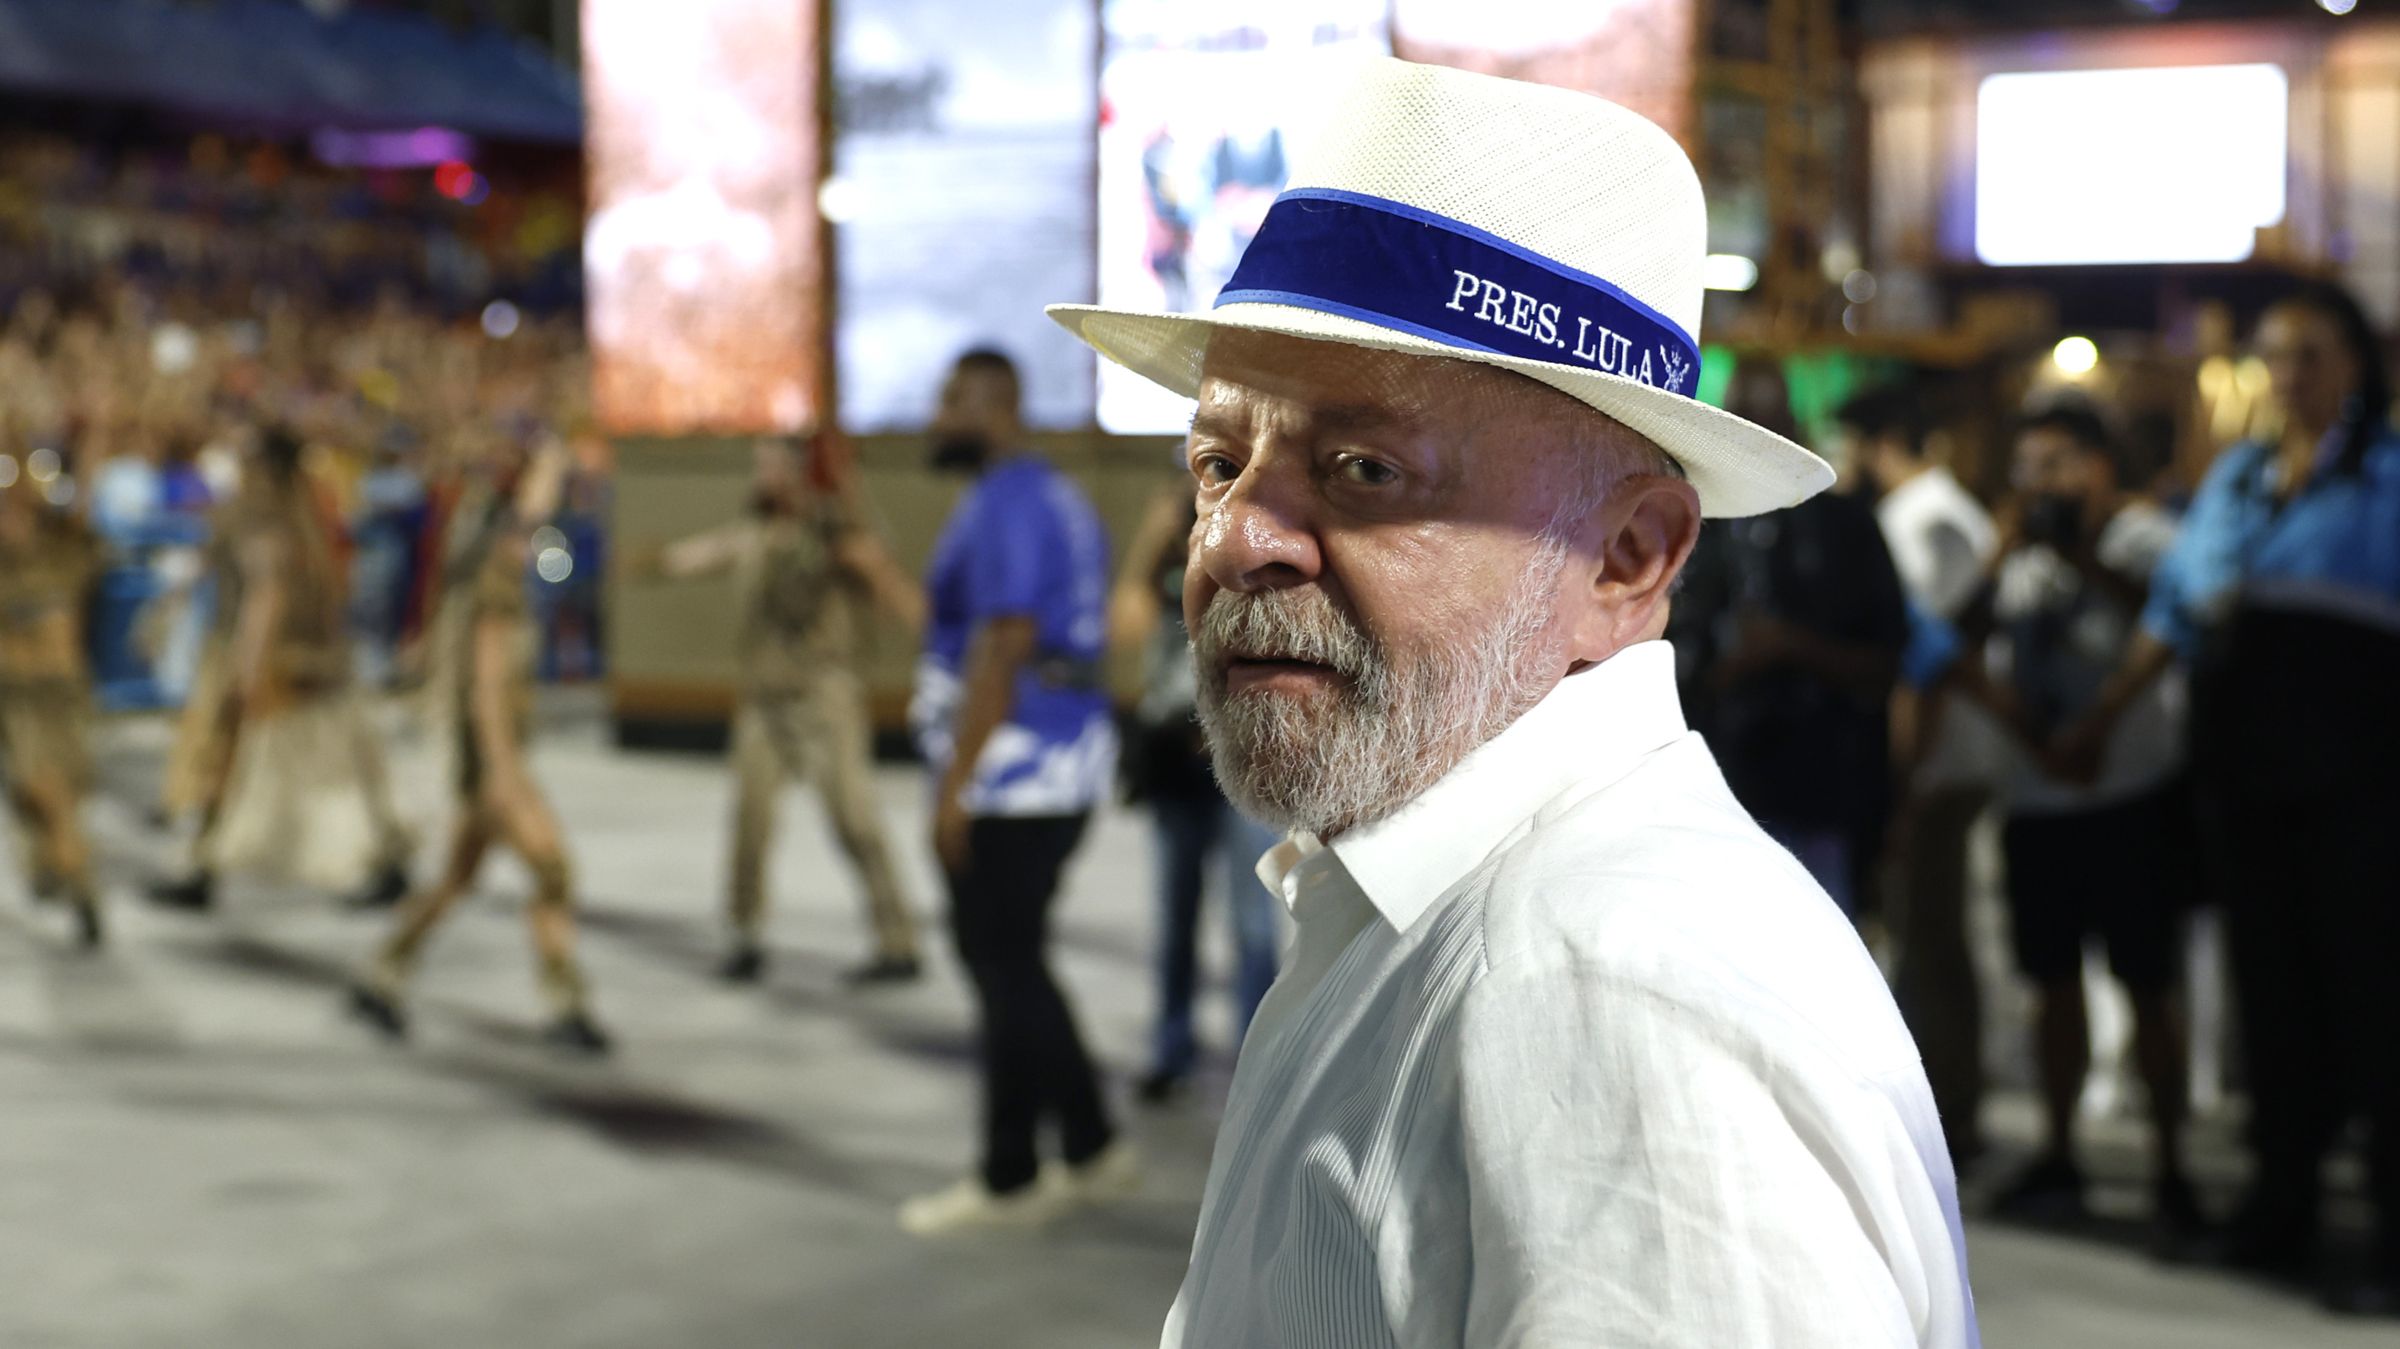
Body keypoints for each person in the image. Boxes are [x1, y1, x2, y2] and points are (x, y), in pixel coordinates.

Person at [1046, 59, 1976, 1345]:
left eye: (1366, 468)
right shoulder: (1423, 901)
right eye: (1218, 459)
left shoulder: (1614, 1003)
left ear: (1626, 558)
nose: (1234, 538)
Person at [2058, 282, 2400, 1315]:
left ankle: (2387, 1228)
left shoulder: (2385, 477)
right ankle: (2279, 1209)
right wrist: (2103, 716)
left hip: (2363, 785)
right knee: (2274, 997)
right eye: (2276, 356)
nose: (2289, 374)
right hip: (2246, 778)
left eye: (2310, 353)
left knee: (2375, 1004)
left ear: (2355, 362)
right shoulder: (2243, 477)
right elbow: (2177, 608)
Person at [897, 348, 1134, 1236]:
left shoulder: (1004, 502)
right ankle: (1089, 1141)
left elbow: (1002, 644)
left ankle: (1010, 1172)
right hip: (1058, 764)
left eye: (952, 399)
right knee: (1018, 959)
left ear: (997, 407)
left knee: (1000, 967)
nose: (936, 415)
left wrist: (953, 788)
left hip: (1015, 773)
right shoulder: (1056, 498)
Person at [1967, 405, 2201, 1246]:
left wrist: (2078, 556)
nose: (2047, 482)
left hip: (2131, 792)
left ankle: (2173, 1166)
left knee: (2148, 983)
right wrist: (2000, 555)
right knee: (2051, 983)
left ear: (2104, 465)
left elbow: (2173, 622)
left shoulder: (2145, 538)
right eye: (2030, 466)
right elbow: (1957, 644)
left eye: (2062, 462)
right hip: (2039, 797)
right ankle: (2060, 1152)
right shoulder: (2019, 553)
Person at [349, 437, 609, 1054]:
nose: (533, 540)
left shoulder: (499, 586)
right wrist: (503, 777)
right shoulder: (494, 598)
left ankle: (382, 974)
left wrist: (549, 465)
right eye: (522, 532)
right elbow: (487, 695)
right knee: (552, 870)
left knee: (454, 881)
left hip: (490, 769)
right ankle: (565, 1003)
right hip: (496, 769)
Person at [635, 433, 926, 986]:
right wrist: (649, 562)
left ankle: (898, 942)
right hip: (763, 702)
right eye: (758, 464)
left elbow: (877, 572)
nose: (760, 475)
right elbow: (701, 553)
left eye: (771, 465)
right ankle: (743, 934)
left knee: (855, 821)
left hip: (823, 697)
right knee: (750, 820)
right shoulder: (757, 532)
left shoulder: (835, 531)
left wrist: (844, 492)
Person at [1672, 362, 1908, 916]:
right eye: (1742, 425)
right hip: (1710, 798)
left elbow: (1887, 663)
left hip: (1821, 793)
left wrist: (1791, 648)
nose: (1757, 442)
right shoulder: (1693, 526)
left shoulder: (1847, 528)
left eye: (1769, 424)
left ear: (1796, 428)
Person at [148, 426, 413, 912]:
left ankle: (371, 861)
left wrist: (247, 671)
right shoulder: (306, 516)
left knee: (258, 765)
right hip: (318, 657)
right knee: (341, 760)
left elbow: (266, 595)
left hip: (276, 661)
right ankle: (203, 867)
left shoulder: (266, 520)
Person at [1842, 381, 2000, 1166]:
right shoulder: (1950, 510)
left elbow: (1929, 662)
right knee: (1928, 935)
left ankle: (1951, 1115)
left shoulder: (1921, 521)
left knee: (1930, 937)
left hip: (1937, 757)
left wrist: (1904, 777)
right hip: (1948, 754)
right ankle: (1949, 1109)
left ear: (1882, 443)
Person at [1110, 483, 1282, 1103]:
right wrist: (1151, 542)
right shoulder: (1166, 558)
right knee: (1175, 917)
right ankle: (1171, 1048)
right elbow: (1123, 630)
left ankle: (1258, 1064)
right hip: (1172, 761)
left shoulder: (1251, 549)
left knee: (1253, 924)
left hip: (1243, 760)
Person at [0, 468, 106, 946]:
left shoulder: (62, 557)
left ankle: (79, 882)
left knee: (55, 793)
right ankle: (54, 865)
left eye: (15, 512)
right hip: (14, 701)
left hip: (59, 699)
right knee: (30, 793)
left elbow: (85, 497)